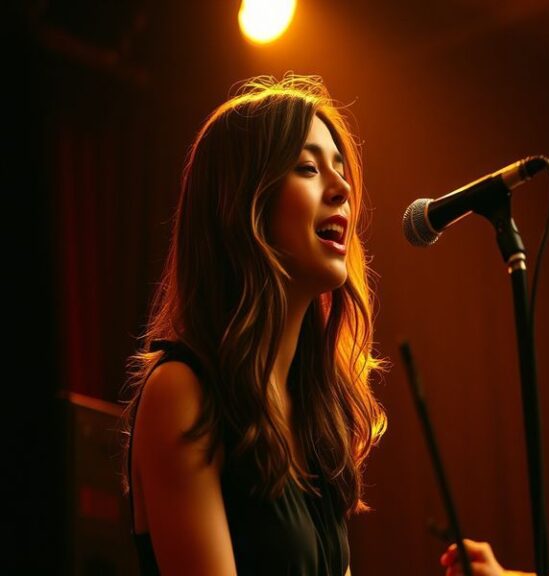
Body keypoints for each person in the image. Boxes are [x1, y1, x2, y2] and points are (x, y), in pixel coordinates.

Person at [121, 74, 387, 575]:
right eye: (308, 168)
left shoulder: (312, 411)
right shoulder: (183, 393)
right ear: (244, 206)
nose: (343, 188)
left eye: (340, 170)